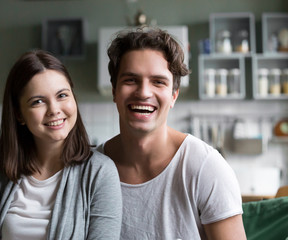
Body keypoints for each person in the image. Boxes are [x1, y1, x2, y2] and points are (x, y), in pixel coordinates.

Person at [97, 27, 247, 239]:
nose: (144, 92)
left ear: (174, 95)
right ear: (114, 91)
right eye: (131, 80)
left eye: (158, 82)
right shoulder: (92, 167)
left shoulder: (205, 167)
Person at [0, 50, 122, 240]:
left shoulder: (100, 172)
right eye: (37, 101)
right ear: (19, 114)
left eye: (62, 95)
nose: (54, 110)